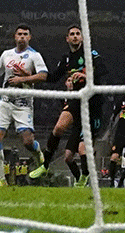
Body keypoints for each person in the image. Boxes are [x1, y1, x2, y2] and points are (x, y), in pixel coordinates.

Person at [0, 23, 49, 187]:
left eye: (25, 34)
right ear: (15, 37)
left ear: (29, 37)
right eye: (19, 34)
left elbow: (43, 76)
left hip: (24, 103)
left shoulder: (35, 56)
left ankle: (38, 155)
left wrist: (22, 79)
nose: (22, 37)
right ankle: (1, 180)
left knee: (28, 142)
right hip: (5, 101)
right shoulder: (6, 55)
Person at [29, 25, 105, 186]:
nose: (75, 36)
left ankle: (84, 178)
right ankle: (45, 165)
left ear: (82, 38)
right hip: (76, 100)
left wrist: (85, 74)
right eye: (72, 34)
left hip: (93, 103)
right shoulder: (66, 59)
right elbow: (53, 77)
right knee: (59, 130)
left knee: (82, 148)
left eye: (78, 34)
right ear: (67, 39)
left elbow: (103, 71)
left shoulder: (91, 54)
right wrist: (30, 76)